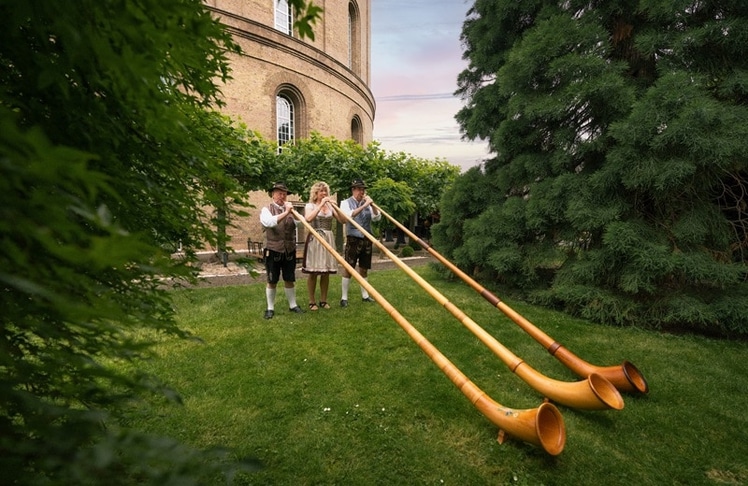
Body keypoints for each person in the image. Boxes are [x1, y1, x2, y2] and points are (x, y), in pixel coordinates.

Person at [259, 182, 304, 319]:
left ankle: (293, 305)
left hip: (289, 250)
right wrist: (286, 212)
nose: (282, 196)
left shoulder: (291, 210)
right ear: (273, 194)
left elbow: (301, 222)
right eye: (279, 193)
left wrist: (294, 213)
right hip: (273, 250)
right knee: (272, 280)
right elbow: (269, 222)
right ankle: (270, 308)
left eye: (284, 193)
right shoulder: (266, 209)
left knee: (289, 278)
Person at [301, 181, 345, 311]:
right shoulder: (310, 206)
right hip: (315, 238)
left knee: (326, 272)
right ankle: (312, 301)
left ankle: (323, 300)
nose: (324, 193)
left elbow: (343, 220)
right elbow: (308, 219)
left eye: (325, 191)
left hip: (328, 238)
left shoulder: (330, 207)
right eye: (321, 191)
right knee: (314, 272)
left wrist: (336, 207)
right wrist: (320, 205)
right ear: (315, 193)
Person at [339, 178, 381, 307]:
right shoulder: (345, 203)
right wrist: (364, 205)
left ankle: (365, 295)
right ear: (353, 190)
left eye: (362, 189)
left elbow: (377, 217)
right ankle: (344, 298)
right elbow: (348, 216)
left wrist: (372, 205)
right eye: (358, 189)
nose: (361, 192)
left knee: (364, 268)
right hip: (353, 238)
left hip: (367, 238)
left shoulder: (368, 202)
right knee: (349, 268)